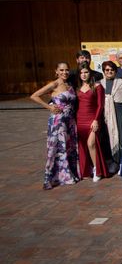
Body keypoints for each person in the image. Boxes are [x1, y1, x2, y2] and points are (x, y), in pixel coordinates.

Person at [30, 62, 80, 190]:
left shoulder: (69, 85)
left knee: (67, 147)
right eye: (61, 70)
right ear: (56, 71)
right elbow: (34, 96)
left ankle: (66, 175)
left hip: (69, 121)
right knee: (54, 148)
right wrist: (49, 107)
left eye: (67, 70)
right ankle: (48, 178)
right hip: (58, 121)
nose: (65, 72)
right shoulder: (54, 84)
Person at [75, 63, 109, 182]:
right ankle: (86, 170)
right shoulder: (77, 88)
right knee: (83, 147)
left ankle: (96, 169)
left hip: (92, 119)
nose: (84, 75)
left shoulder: (97, 86)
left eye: (86, 72)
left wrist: (96, 120)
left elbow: (100, 105)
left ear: (90, 73)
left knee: (91, 144)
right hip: (80, 120)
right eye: (81, 73)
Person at [100, 61, 122, 172]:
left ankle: (121, 161)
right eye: (107, 70)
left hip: (120, 111)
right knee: (108, 136)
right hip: (105, 113)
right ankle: (112, 161)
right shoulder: (100, 84)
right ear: (103, 71)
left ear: (116, 71)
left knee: (121, 135)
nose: (109, 71)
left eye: (112, 69)